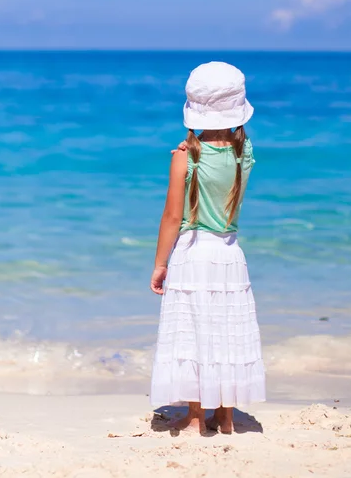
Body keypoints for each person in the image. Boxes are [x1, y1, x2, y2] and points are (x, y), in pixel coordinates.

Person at [149, 61, 265, 435]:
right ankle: (226, 416)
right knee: (225, 332)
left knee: (195, 333)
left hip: (193, 251)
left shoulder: (186, 156)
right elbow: (232, 148)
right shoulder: (244, 151)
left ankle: (197, 416)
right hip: (230, 252)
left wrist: (159, 263)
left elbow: (171, 216)